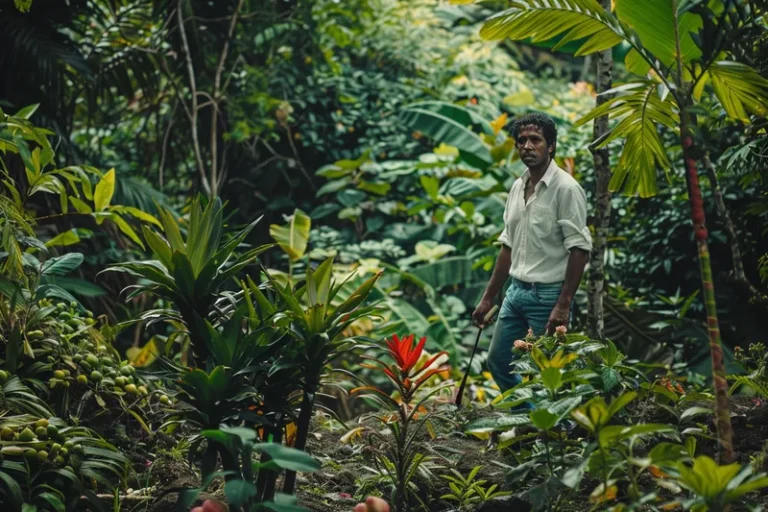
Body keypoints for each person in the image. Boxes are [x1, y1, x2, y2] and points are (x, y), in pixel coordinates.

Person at [472, 113, 592, 395]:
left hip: (549, 295)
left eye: (535, 140)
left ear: (550, 145)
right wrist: (488, 297)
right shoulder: (517, 187)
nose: (527, 146)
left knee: (545, 375)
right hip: (515, 293)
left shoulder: (566, 189)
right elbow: (508, 246)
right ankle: (528, 422)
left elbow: (579, 249)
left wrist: (563, 304)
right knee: (499, 361)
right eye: (521, 141)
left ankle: (548, 432)